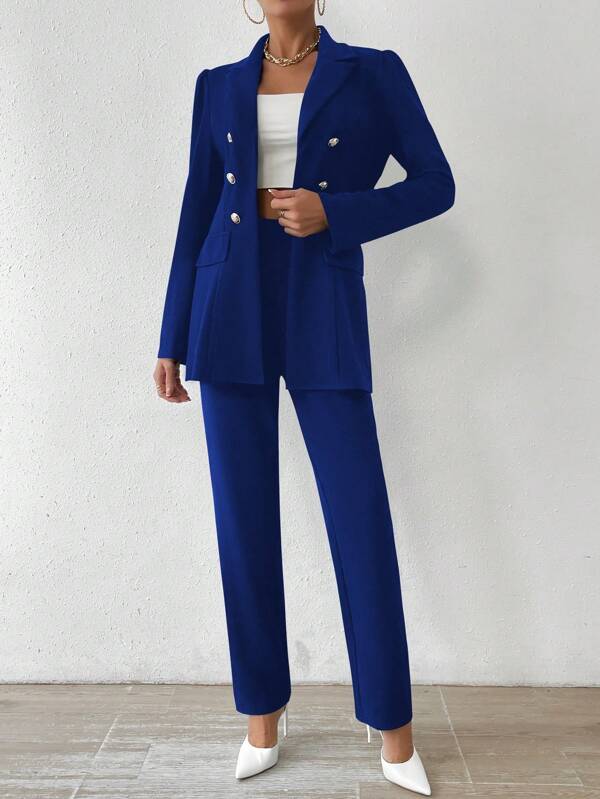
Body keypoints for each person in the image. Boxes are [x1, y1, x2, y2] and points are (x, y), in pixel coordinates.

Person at [154, 2, 454, 794]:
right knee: (242, 522)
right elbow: (197, 207)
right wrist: (171, 334)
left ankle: (393, 725)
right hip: (226, 306)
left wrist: (337, 213)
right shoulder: (217, 84)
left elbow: (436, 185)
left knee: (360, 519)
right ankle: (262, 714)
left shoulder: (373, 72)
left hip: (321, 300)